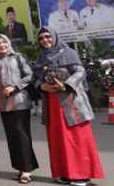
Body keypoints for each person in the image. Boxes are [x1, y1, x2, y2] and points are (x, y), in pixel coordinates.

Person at [34, 27, 104, 186]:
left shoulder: (69, 52)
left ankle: (80, 175)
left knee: (76, 138)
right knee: (58, 138)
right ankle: (65, 173)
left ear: (54, 36)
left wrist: (65, 85)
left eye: (47, 37)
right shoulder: (40, 57)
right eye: (41, 38)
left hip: (71, 102)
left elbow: (80, 72)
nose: (45, 40)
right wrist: (41, 86)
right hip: (52, 105)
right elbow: (35, 78)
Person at [0, 34, 39, 184]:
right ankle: (20, 167)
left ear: (9, 43)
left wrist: (14, 86)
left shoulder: (19, 57)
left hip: (20, 102)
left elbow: (30, 75)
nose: (2, 45)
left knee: (22, 136)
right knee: (12, 138)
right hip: (4, 105)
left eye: (4, 42)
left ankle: (27, 170)